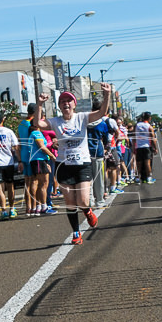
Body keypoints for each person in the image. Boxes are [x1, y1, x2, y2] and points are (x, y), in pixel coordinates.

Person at [37, 85, 112, 245]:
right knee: (70, 203)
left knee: (83, 201)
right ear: (59, 105)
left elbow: (101, 113)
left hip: (82, 164)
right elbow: (38, 123)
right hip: (63, 166)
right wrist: (39, 104)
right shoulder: (56, 121)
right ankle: (76, 232)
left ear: (74, 104)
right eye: (62, 101)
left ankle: (87, 210)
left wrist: (107, 95)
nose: (65, 103)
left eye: (68, 101)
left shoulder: (82, 117)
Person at [133, 112, 157, 184]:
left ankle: (137, 179)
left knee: (138, 164)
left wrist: (134, 146)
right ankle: (149, 178)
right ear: (149, 118)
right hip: (146, 146)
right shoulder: (149, 126)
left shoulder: (137, 125)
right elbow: (152, 138)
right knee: (147, 163)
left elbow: (134, 136)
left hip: (138, 147)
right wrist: (155, 148)